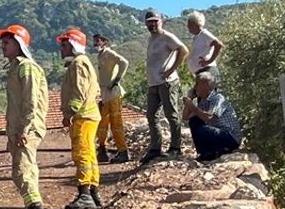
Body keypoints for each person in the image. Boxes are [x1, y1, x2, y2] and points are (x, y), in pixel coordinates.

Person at [0, 24, 51, 209]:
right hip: (20, 129)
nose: (3, 46)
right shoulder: (16, 67)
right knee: (26, 170)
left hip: (27, 129)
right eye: (2, 42)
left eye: (7, 42)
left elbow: (31, 101)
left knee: (22, 172)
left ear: (19, 44)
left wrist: (24, 130)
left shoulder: (26, 67)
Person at [57, 29, 102, 209]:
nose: (61, 48)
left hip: (83, 116)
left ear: (74, 45)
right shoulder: (82, 63)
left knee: (82, 154)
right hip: (88, 115)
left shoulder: (78, 63)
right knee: (90, 155)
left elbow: (79, 92)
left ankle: (85, 195)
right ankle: (92, 193)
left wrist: (69, 113)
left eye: (64, 44)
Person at [142, 10, 189, 163]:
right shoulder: (151, 39)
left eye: (155, 21)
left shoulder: (167, 37)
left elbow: (183, 50)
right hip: (153, 83)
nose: (152, 24)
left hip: (167, 82)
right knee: (151, 115)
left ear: (161, 21)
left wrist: (171, 69)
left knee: (172, 115)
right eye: (150, 21)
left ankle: (175, 148)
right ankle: (155, 148)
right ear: (146, 23)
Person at [182, 71, 243, 161]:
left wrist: (193, 108)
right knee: (194, 121)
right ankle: (205, 153)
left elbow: (210, 118)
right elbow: (186, 117)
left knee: (202, 130)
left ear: (205, 84)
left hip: (231, 136)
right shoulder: (203, 101)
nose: (195, 87)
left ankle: (217, 151)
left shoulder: (218, 98)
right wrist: (190, 99)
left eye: (197, 84)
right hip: (217, 133)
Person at [93, 33, 131, 164]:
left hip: (113, 93)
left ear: (105, 42)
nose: (96, 43)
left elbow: (124, 62)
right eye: (95, 41)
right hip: (105, 94)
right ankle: (103, 150)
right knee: (102, 123)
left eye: (98, 41)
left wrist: (117, 80)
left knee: (116, 124)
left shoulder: (109, 53)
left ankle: (123, 151)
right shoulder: (100, 55)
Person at [185, 11, 225, 80]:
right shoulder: (197, 37)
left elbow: (218, 44)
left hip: (207, 72)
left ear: (195, 24)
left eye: (189, 24)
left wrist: (209, 61)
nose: (188, 26)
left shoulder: (204, 34)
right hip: (201, 72)